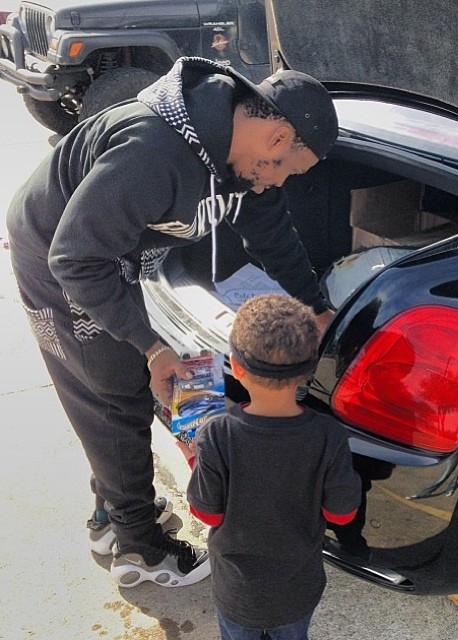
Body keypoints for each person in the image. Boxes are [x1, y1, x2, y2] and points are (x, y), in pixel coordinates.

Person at [6, 56, 338, 588]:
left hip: (111, 249)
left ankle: (111, 510)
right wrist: (150, 345)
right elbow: (72, 260)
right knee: (111, 395)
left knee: (127, 388)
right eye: (286, 171)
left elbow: (272, 235)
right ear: (278, 138)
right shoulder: (154, 151)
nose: (276, 184)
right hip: (58, 257)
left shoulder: (244, 162)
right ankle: (139, 547)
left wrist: (316, 305)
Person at [177, 293, 361, 639]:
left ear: (237, 366)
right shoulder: (328, 435)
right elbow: (342, 514)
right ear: (308, 370)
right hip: (297, 589)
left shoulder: (216, 435)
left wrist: (193, 459)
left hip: (237, 590)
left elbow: (209, 514)